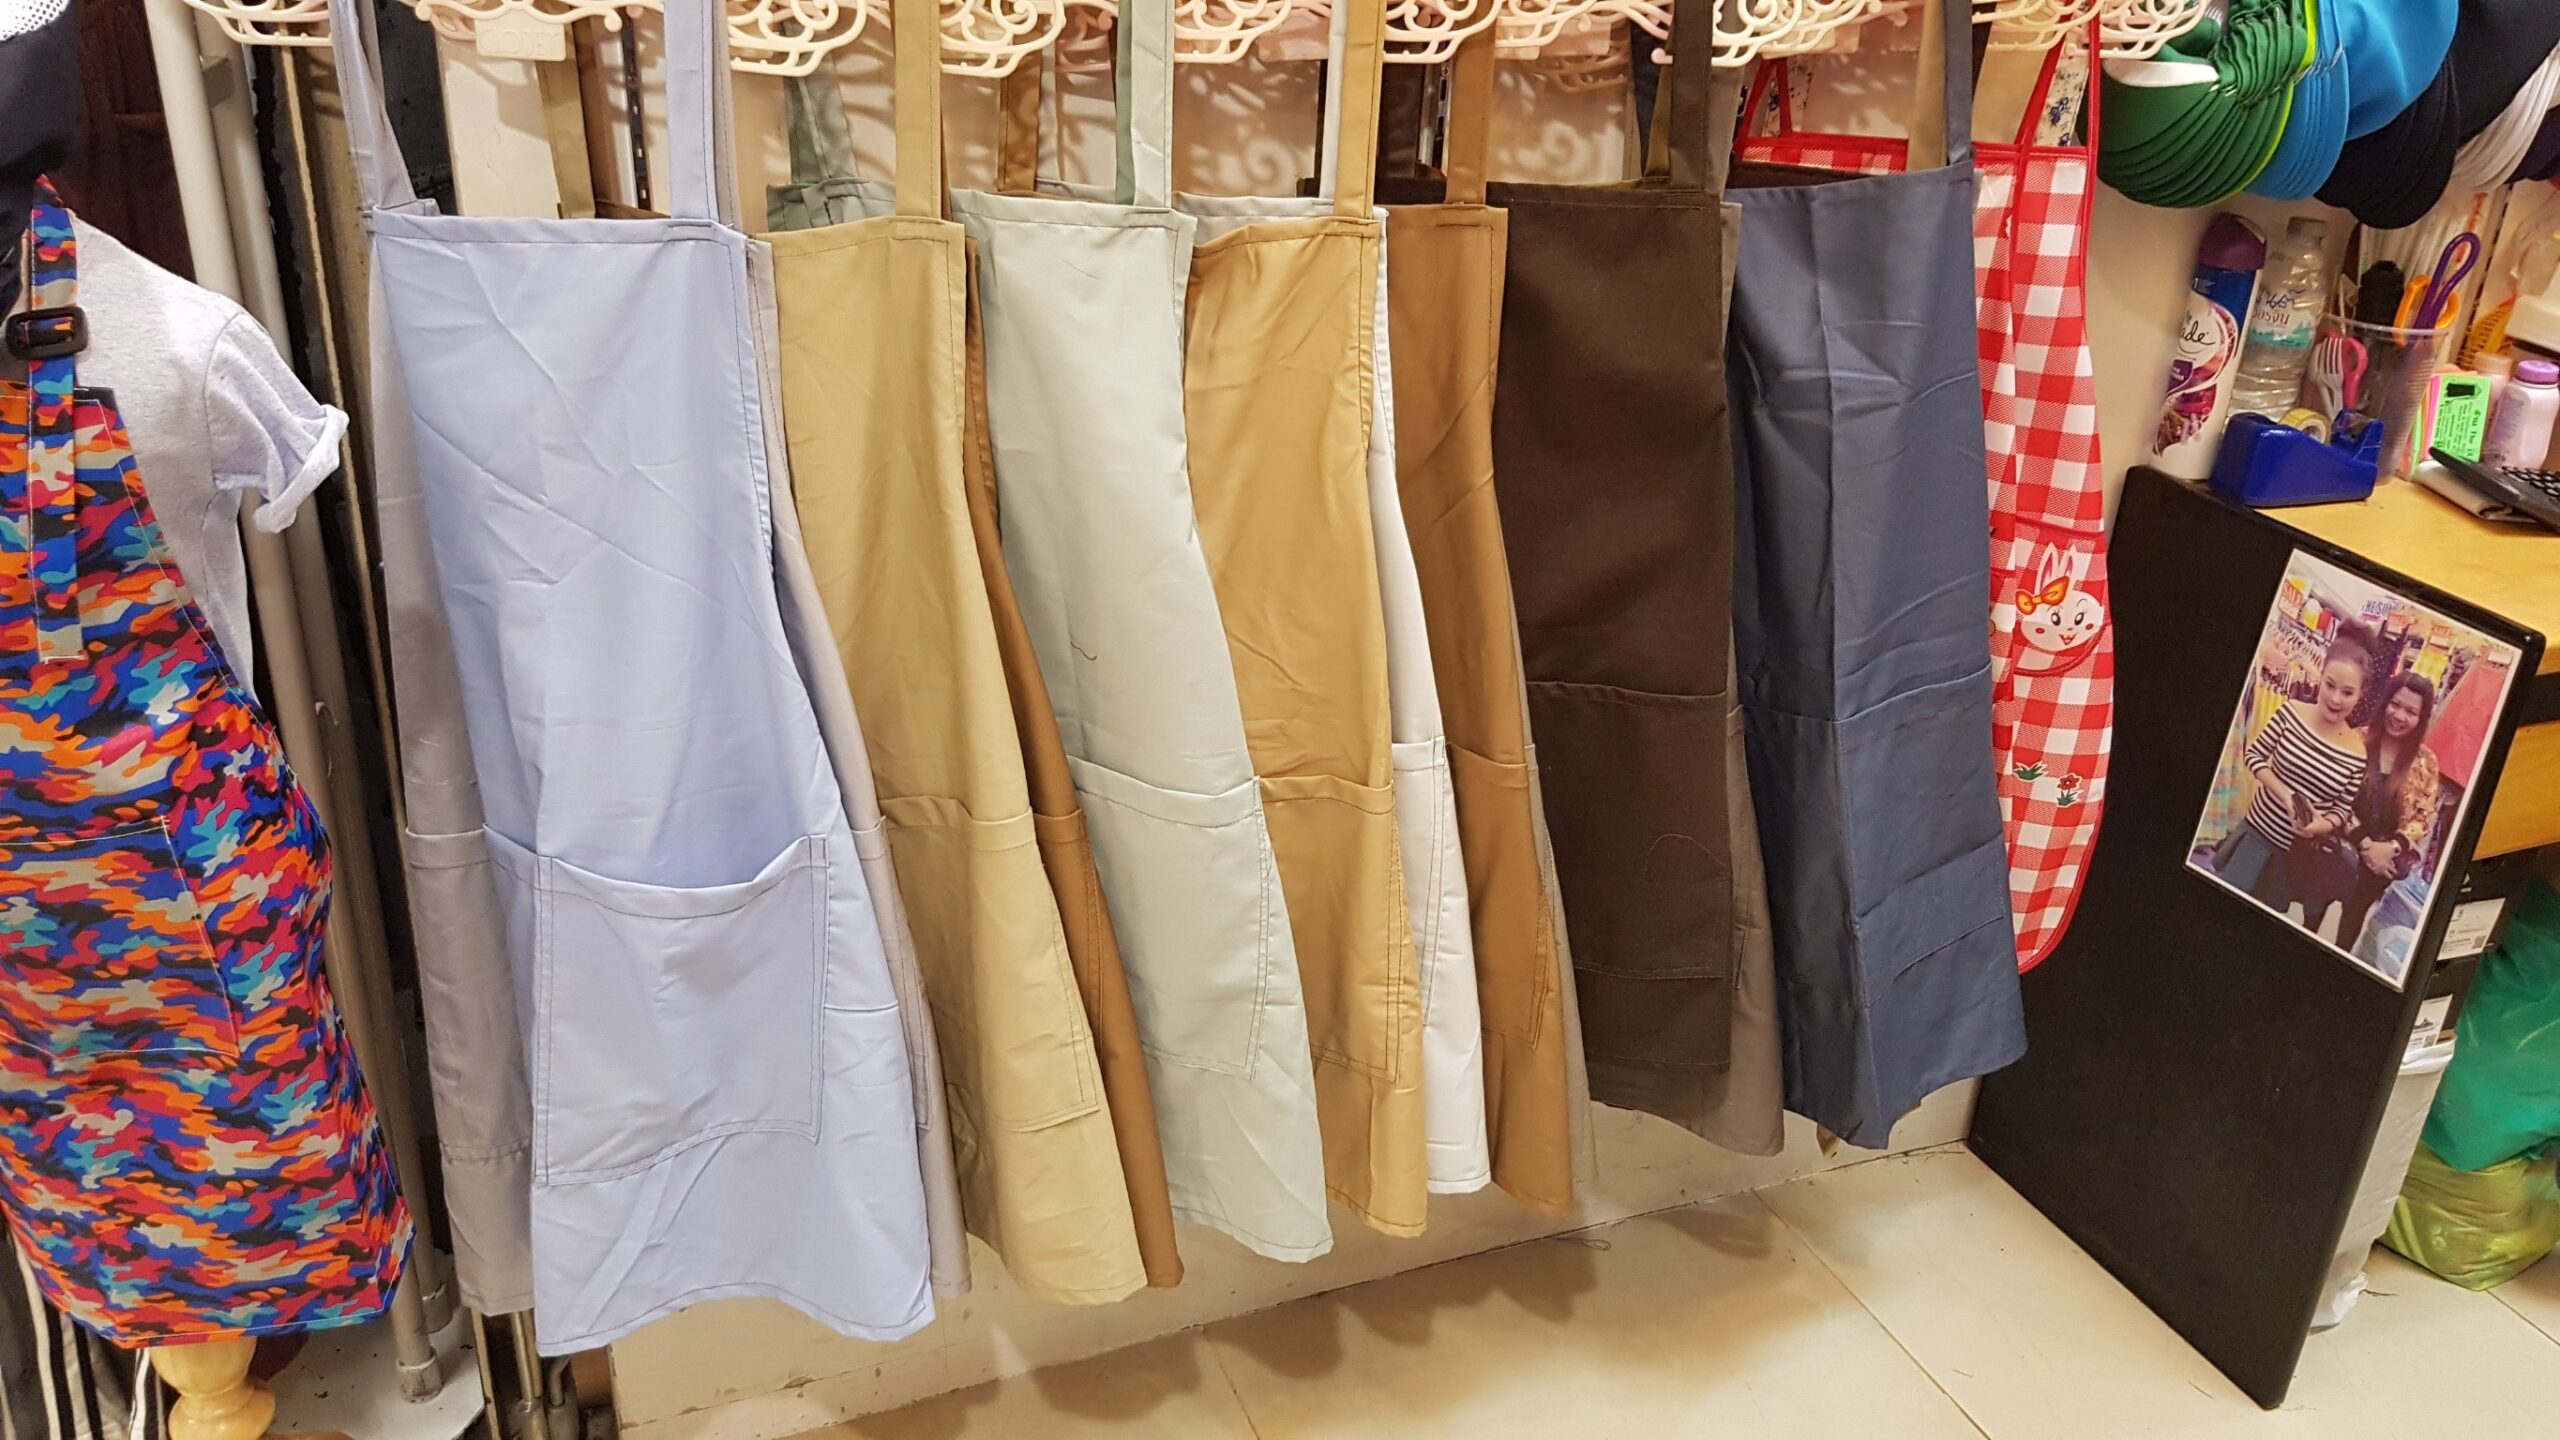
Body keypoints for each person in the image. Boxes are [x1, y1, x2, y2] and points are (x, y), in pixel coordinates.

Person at [2213, 624, 2373, 906]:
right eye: (2330, 685)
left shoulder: (2357, 753)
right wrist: (2286, 796)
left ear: (2361, 694)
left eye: (2347, 692)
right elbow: (2254, 756)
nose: (2335, 699)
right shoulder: (2290, 712)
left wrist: (2319, 825)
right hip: (2256, 835)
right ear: (2320, 676)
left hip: (2296, 857)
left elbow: (2341, 809)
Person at [2340, 672, 2441, 951]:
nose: (2399, 716)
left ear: (2421, 718)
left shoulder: (2426, 762)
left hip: (2383, 862)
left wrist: (2392, 847)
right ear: (2385, 702)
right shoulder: (2355, 739)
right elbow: (2334, 795)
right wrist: (2366, 845)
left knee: (2352, 920)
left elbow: (2422, 817)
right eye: (2395, 704)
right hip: (2339, 847)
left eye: (2411, 711)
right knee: (2314, 910)